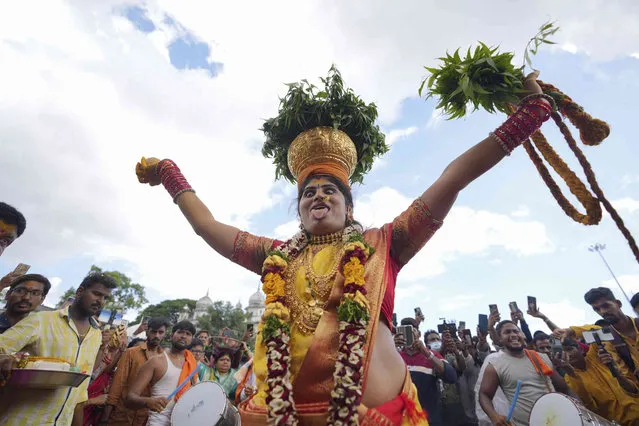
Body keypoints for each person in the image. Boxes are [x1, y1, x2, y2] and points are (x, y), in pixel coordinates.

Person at [135, 70, 553, 424]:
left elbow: (451, 179)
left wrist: (526, 118)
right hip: (278, 415)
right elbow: (207, 226)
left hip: (376, 414)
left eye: (330, 190)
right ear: (299, 210)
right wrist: (171, 175)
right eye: (308, 193)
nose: (319, 196)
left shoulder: (385, 242)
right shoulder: (276, 256)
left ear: (350, 206)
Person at [0, 271, 117, 425]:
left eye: (105, 298)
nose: (100, 301)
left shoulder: (96, 335)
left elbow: (80, 391)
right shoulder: (41, 320)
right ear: (80, 291)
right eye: (96, 294)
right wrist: (7, 358)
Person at [478, 320, 578, 426]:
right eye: (507, 332)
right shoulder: (495, 365)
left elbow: (563, 388)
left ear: (522, 335)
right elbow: (484, 394)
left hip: (556, 420)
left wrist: (580, 409)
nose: (513, 335)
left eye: (516, 331)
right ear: (500, 339)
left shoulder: (540, 357)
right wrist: (493, 416)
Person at [556, 287, 639, 386]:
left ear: (618, 303)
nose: (603, 312)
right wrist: (619, 376)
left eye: (606, 306)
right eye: (597, 309)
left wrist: (572, 330)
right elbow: (631, 383)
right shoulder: (609, 342)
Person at [125, 320, 197, 426]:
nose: (183, 336)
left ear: (191, 339)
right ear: (171, 335)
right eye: (180, 332)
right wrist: (148, 401)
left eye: (188, 334)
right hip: (157, 422)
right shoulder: (156, 361)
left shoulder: (192, 364)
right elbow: (129, 398)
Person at [101, 317, 169, 426]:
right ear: (147, 332)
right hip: (122, 415)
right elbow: (118, 384)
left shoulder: (165, 359)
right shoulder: (131, 353)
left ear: (165, 335)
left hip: (147, 418)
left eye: (161, 332)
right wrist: (105, 417)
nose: (157, 336)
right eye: (153, 332)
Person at [556, 337, 639, 425]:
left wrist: (571, 331)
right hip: (617, 423)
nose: (568, 355)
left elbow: (596, 329)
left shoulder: (595, 356)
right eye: (563, 354)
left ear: (580, 349)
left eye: (570, 349)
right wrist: (571, 372)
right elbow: (589, 407)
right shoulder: (569, 378)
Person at [397, 320, 456, 426]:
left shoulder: (431, 355)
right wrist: (390, 347)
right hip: (401, 420)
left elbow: (451, 377)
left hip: (429, 419)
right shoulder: (395, 355)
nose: (409, 334)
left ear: (418, 334)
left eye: (412, 330)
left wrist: (426, 353)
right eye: (404, 331)